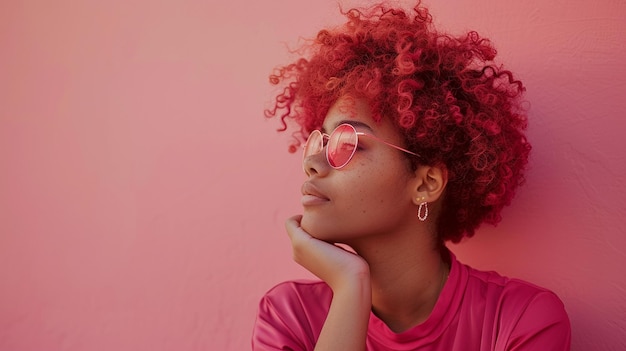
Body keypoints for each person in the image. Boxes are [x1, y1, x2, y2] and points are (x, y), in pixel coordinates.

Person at [252, 2, 571, 350]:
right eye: (321, 140)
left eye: (348, 142)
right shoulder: (288, 316)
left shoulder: (522, 320)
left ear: (425, 183)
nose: (314, 162)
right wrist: (349, 286)